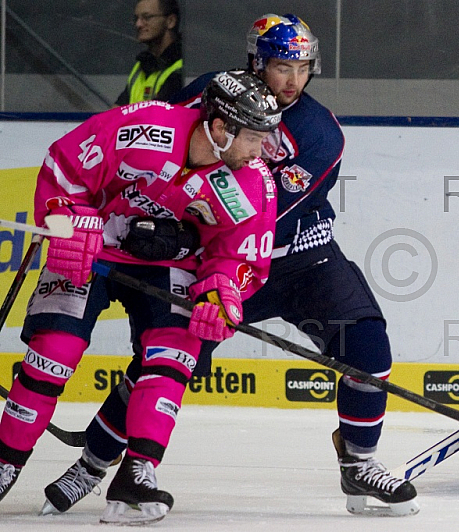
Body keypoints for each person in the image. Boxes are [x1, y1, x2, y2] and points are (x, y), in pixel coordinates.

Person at [42, 14, 419, 518]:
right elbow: (160, 159)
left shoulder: (319, 131)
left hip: (304, 259)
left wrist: (180, 230)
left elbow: (259, 212)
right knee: (164, 365)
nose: (293, 80)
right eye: (283, 66)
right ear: (258, 61)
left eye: (303, 68)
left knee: (367, 345)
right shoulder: (207, 94)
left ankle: (359, 464)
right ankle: (93, 465)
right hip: (222, 266)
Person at [0, 70, 282, 525]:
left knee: (174, 355)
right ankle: (5, 461)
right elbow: (64, 168)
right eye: (252, 138)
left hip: (170, 267)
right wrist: (67, 221)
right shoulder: (144, 128)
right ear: (220, 127)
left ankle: (138, 471)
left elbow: (238, 255)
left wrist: (222, 290)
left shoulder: (251, 184)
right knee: (55, 353)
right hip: (91, 250)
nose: (259, 151)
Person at [116, 0, 183, 105]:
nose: (138, 24)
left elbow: (159, 117)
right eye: (136, 18)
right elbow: (115, 111)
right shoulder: (143, 64)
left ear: (170, 21)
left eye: (147, 17)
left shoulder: (182, 69)